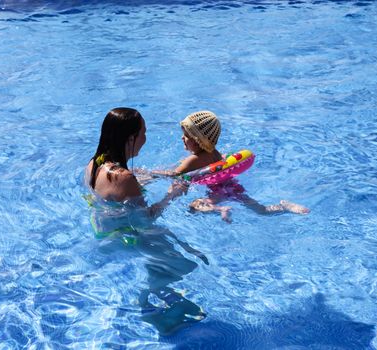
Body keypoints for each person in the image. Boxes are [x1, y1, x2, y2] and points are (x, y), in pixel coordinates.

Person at [85, 107, 207, 335]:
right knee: (186, 265)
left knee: (168, 256)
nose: (145, 138)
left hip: (103, 231)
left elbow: (112, 195)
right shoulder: (124, 177)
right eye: (143, 133)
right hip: (127, 237)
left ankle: (158, 292)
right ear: (130, 138)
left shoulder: (94, 164)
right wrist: (172, 195)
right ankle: (144, 301)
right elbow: (144, 220)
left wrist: (140, 181)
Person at [150, 110, 310, 222]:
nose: (182, 138)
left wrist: (151, 173)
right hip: (231, 186)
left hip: (217, 191)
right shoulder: (214, 152)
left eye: (186, 135)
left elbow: (174, 174)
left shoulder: (193, 160)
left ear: (199, 140)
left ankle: (220, 209)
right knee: (261, 210)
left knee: (194, 207)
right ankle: (284, 206)